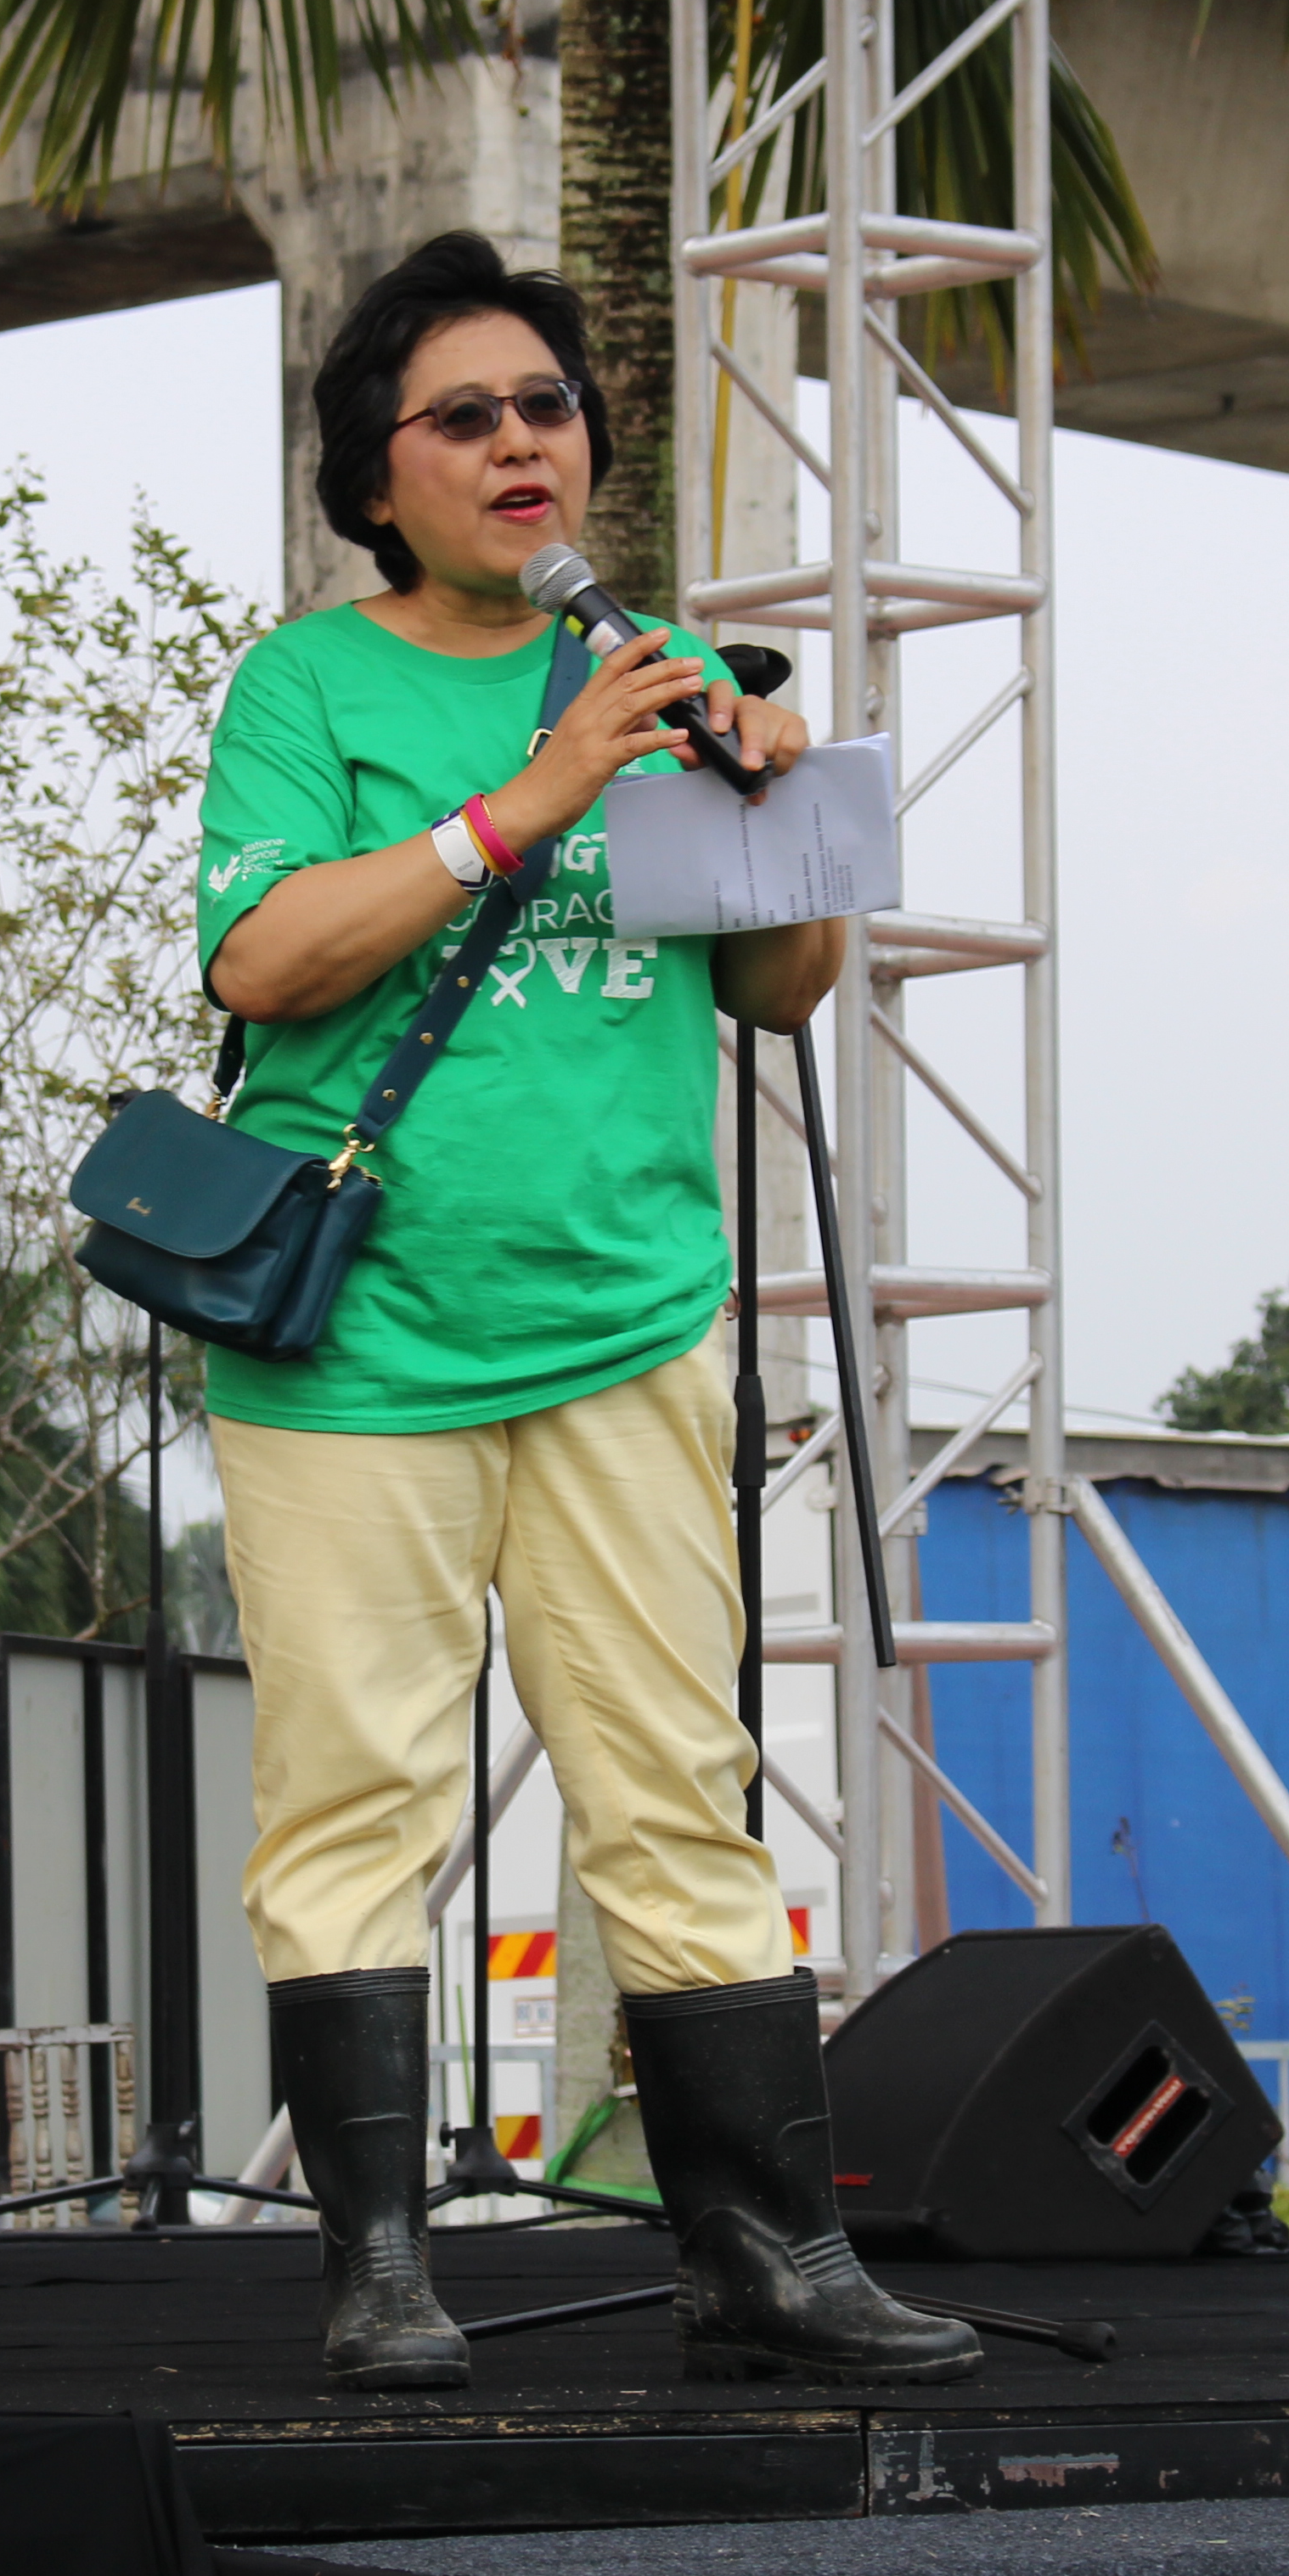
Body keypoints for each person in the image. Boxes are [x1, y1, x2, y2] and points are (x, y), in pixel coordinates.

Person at [195, 230, 977, 2394]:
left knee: (680, 1785)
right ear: (375, 480)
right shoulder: (308, 689)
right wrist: (528, 802)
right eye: (462, 417)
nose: (518, 442)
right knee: (356, 1794)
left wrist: (775, 805)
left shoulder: (663, 669)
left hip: (628, 1325)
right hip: (354, 1345)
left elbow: (776, 990)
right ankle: (380, 2272)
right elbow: (262, 962)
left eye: (545, 406)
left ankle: (766, 2253)